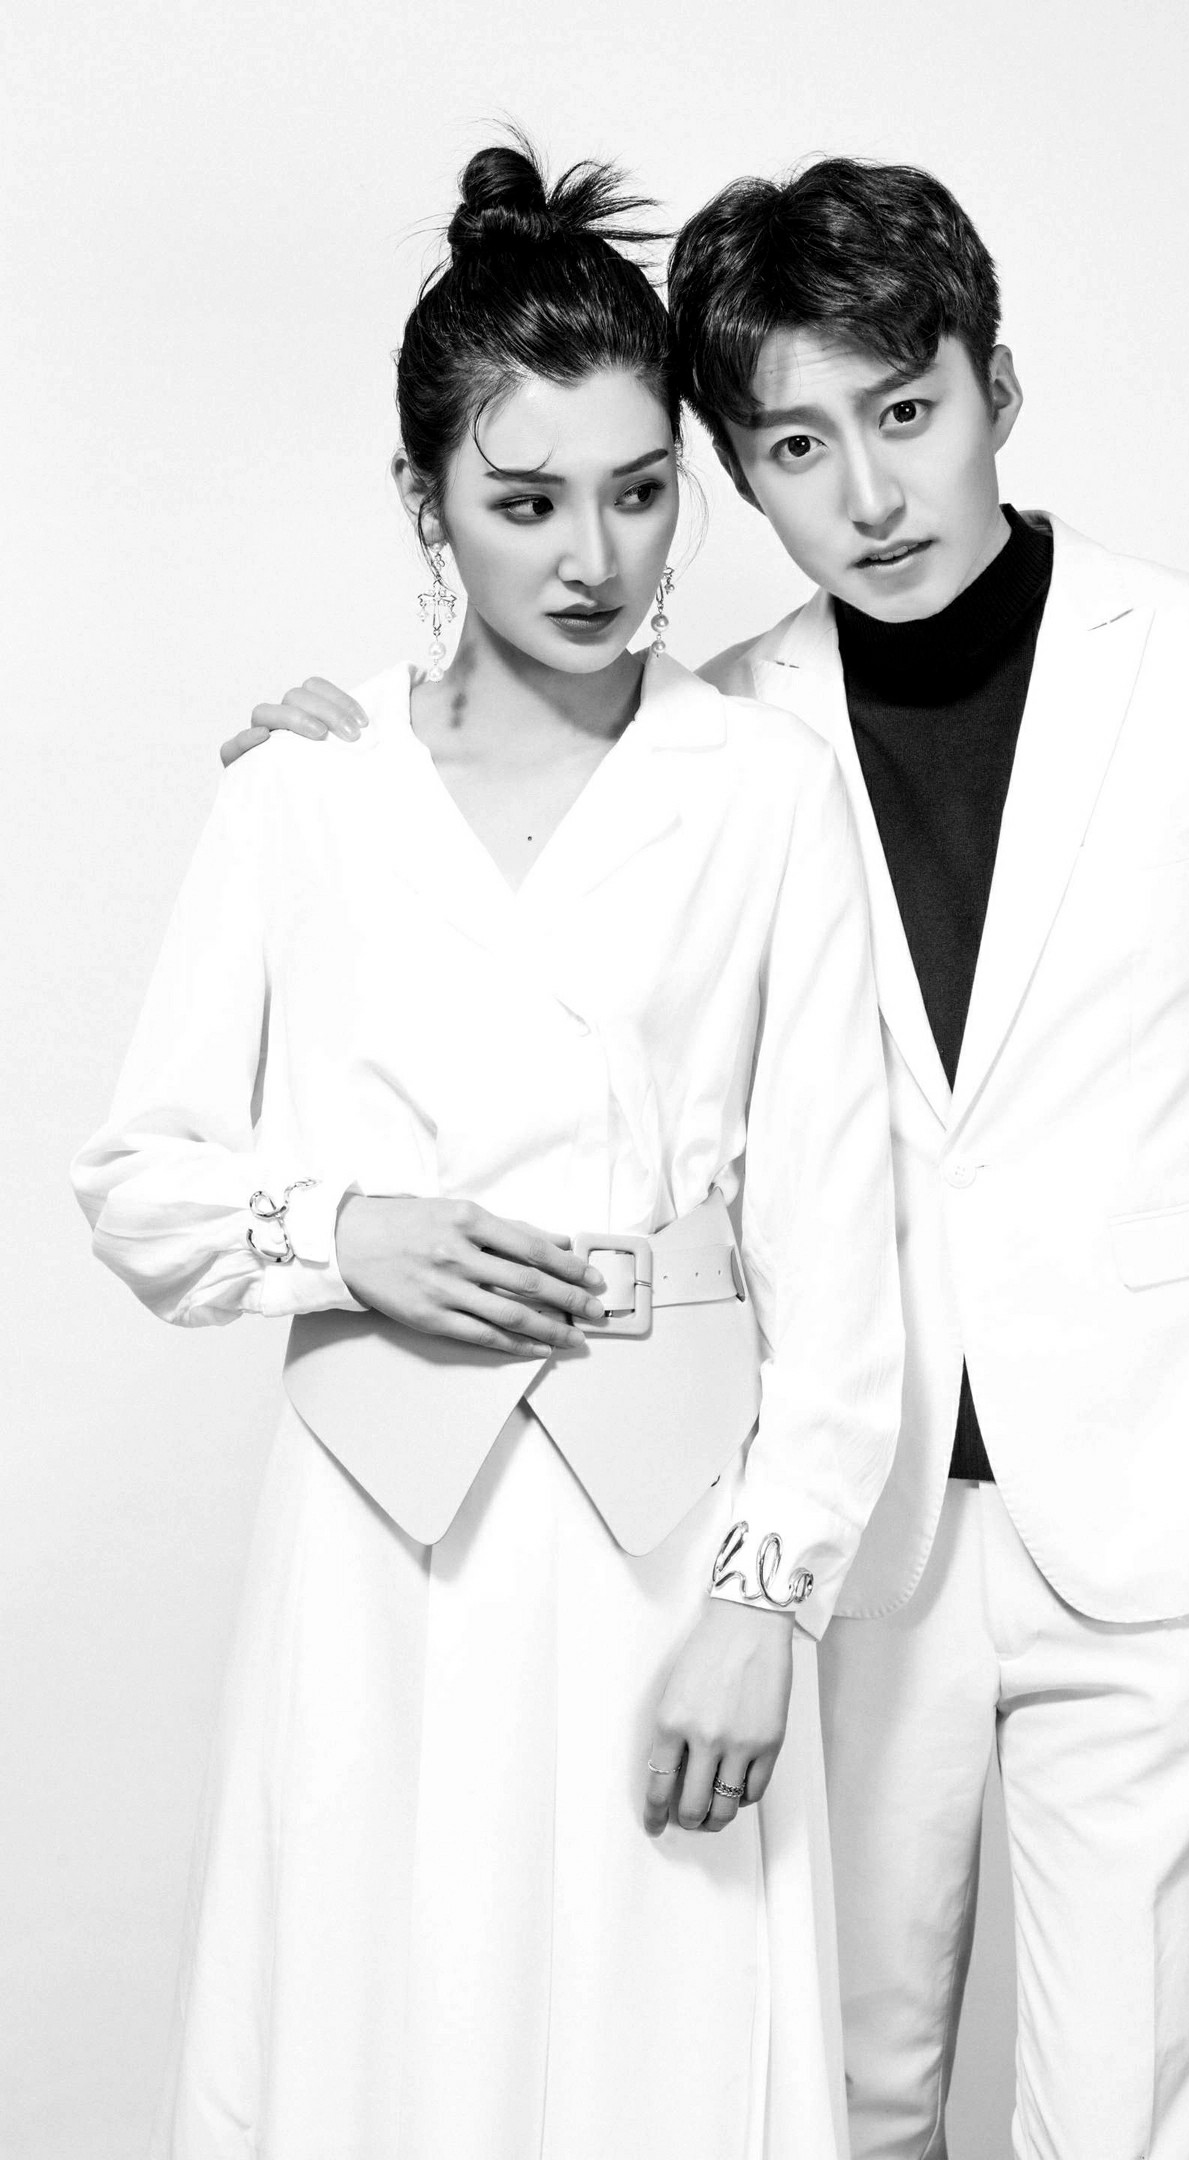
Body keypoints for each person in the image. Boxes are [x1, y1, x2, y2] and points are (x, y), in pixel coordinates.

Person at [242, 157, 1189, 2160]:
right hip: (848, 1546)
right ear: (737, 475)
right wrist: (340, 742)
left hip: (1153, 1520)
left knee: (1126, 2119)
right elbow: (499, 789)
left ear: (995, 387)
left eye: (906, 412)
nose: (869, 493)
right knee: (839, 2103)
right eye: (792, 445)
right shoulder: (721, 734)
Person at [74, 142, 902, 2160]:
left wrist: (767, 1603)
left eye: (641, 491)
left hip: (665, 1546)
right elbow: (140, 1184)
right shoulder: (309, 788)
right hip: (380, 1546)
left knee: (662, 2049)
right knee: (385, 2042)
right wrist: (340, 1231)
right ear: (424, 500)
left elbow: (837, 1247)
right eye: (527, 501)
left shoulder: (765, 788)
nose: (595, 557)